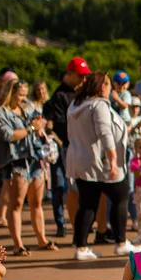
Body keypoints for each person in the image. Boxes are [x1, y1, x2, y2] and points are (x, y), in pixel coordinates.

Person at [66, 71, 140, 260]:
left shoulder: (76, 104)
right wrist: (113, 160)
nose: (110, 88)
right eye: (108, 84)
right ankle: (121, 243)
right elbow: (105, 134)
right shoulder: (98, 105)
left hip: (81, 161)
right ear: (101, 87)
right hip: (100, 162)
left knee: (88, 203)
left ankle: (81, 247)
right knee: (121, 195)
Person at [0, 80, 56, 255]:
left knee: (36, 202)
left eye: (25, 95)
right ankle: (18, 244)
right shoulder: (1, 113)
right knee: (17, 203)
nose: (23, 98)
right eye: (20, 95)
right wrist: (31, 128)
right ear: (10, 94)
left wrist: (40, 123)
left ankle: (42, 239)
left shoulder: (27, 108)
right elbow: (8, 135)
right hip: (15, 160)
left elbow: (39, 120)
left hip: (34, 157)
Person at [43, 57, 92, 238]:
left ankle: (82, 225)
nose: (83, 80)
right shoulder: (60, 95)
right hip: (66, 148)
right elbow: (61, 124)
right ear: (69, 74)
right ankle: (65, 225)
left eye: (85, 76)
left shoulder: (82, 93)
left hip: (80, 148)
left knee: (82, 189)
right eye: (80, 76)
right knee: (66, 188)